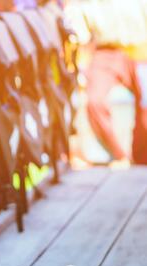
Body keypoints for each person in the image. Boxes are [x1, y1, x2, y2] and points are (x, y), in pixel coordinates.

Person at [66, 0, 147, 168]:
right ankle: (120, 155)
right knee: (94, 101)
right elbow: (79, 37)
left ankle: (141, 158)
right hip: (105, 52)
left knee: (145, 105)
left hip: (140, 50)